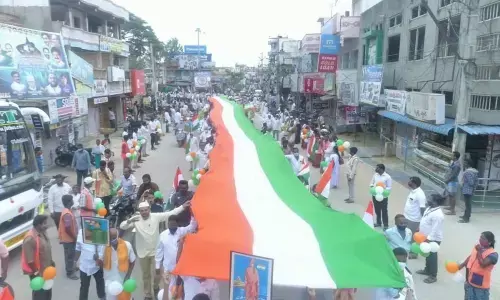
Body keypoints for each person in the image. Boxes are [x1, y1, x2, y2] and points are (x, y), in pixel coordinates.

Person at [121, 201, 191, 299]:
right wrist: (129, 220)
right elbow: (122, 226)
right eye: (142, 211)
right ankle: (147, 294)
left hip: (155, 252)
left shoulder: (155, 216)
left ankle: (155, 287)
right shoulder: (136, 220)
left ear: (149, 209)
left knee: (157, 273)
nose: (144, 212)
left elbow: (170, 213)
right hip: (142, 253)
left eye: (146, 210)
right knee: (146, 275)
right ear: (139, 211)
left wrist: (182, 207)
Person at [155, 216, 197, 295]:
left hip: (181, 267)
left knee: (182, 288)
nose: (172, 226)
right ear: (168, 224)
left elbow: (192, 226)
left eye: (174, 224)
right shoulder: (163, 235)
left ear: (177, 224)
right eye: (170, 224)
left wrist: (193, 215)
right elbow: (159, 250)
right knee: (169, 289)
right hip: (168, 268)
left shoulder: (182, 231)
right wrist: (157, 265)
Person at [21, 215, 54, 300]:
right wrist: (37, 274)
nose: (47, 225)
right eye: (44, 223)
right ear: (38, 225)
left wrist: (51, 263)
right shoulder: (30, 239)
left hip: (47, 270)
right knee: (40, 295)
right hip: (38, 273)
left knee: (47, 293)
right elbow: (30, 261)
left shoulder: (42, 232)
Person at [99, 228, 136, 300]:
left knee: (126, 298)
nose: (111, 240)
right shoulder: (103, 247)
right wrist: (97, 260)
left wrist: (128, 276)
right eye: (109, 238)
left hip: (124, 279)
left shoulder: (127, 245)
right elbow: (101, 264)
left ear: (117, 236)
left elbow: (133, 261)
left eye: (113, 238)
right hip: (109, 280)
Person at [416, 194, 445, 284]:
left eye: (429, 199)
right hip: (425, 236)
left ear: (435, 202)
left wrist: (428, 239)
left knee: (432, 256)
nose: (427, 200)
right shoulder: (429, 208)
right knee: (427, 254)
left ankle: (433, 275)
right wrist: (419, 228)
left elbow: (435, 229)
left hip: (433, 239)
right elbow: (424, 219)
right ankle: (427, 270)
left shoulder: (438, 215)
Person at [459, 231, 497, 300]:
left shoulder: (493, 255)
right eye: (480, 237)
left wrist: (479, 251)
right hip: (470, 282)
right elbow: (471, 256)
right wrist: (462, 265)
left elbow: (483, 264)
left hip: (481, 287)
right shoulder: (478, 247)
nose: (480, 239)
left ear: (489, 242)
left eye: (483, 238)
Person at [75, 228, 106, 300]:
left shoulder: (102, 232)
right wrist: (74, 261)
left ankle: (102, 297)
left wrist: (99, 258)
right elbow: (78, 248)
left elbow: (103, 249)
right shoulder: (81, 232)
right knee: (84, 286)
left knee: (100, 283)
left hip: (97, 267)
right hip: (84, 266)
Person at [404, 176, 426, 258]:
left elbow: (422, 208)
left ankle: (414, 253)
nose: (408, 182)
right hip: (407, 217)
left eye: (410, 181)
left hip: (414, 219)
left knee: (414, 237)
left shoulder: (420, 194)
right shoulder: (412, 191)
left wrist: (421, 222)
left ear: (414, 183)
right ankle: (409, 249)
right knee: (408, 235)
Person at [58, 195, 79, 280]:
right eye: (72, 200)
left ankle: (72, 267)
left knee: (71, 254)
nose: (73, 201)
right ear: (69, 202)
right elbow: (67, 228)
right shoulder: (67, 214)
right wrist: (74, 237)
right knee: (69, 256)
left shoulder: (67, 211)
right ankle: (70, 272)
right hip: (68, 239)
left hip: (68, 238)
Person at [370, 164, 392, 230]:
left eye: (377, 168)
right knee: (377, 209)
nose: (376, 169)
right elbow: (371, 183)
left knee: (384, 210)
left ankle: (385, 225)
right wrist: (372, 188)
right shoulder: (375, 175)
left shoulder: (387, 177)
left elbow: (389, 187)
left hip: (383, 196)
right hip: (375, 195)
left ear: (381, 169)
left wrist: (382, 189)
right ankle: (378, 222)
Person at [460, 159, 479, 223]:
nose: (464, 164)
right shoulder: (474, 171)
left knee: (467, 205)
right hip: (470, 190)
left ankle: (466, 218)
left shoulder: (468, 172)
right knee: (468, 204)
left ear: (468, 164)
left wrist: (464, 182)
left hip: (467, 190)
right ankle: (466, 215)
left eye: (465, 163)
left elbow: (471, 182)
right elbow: (476, 182)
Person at [444, 151, 461, 216]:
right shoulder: (454, 163)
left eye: (452, 155)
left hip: (453, 181)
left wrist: (447, 180)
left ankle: (452, 211)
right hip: (451, 181)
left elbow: (454, 175)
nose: (451, 156)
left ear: (455, 157)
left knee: (452, 196)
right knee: (450, 195)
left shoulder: (457, 165)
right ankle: (451, 207)